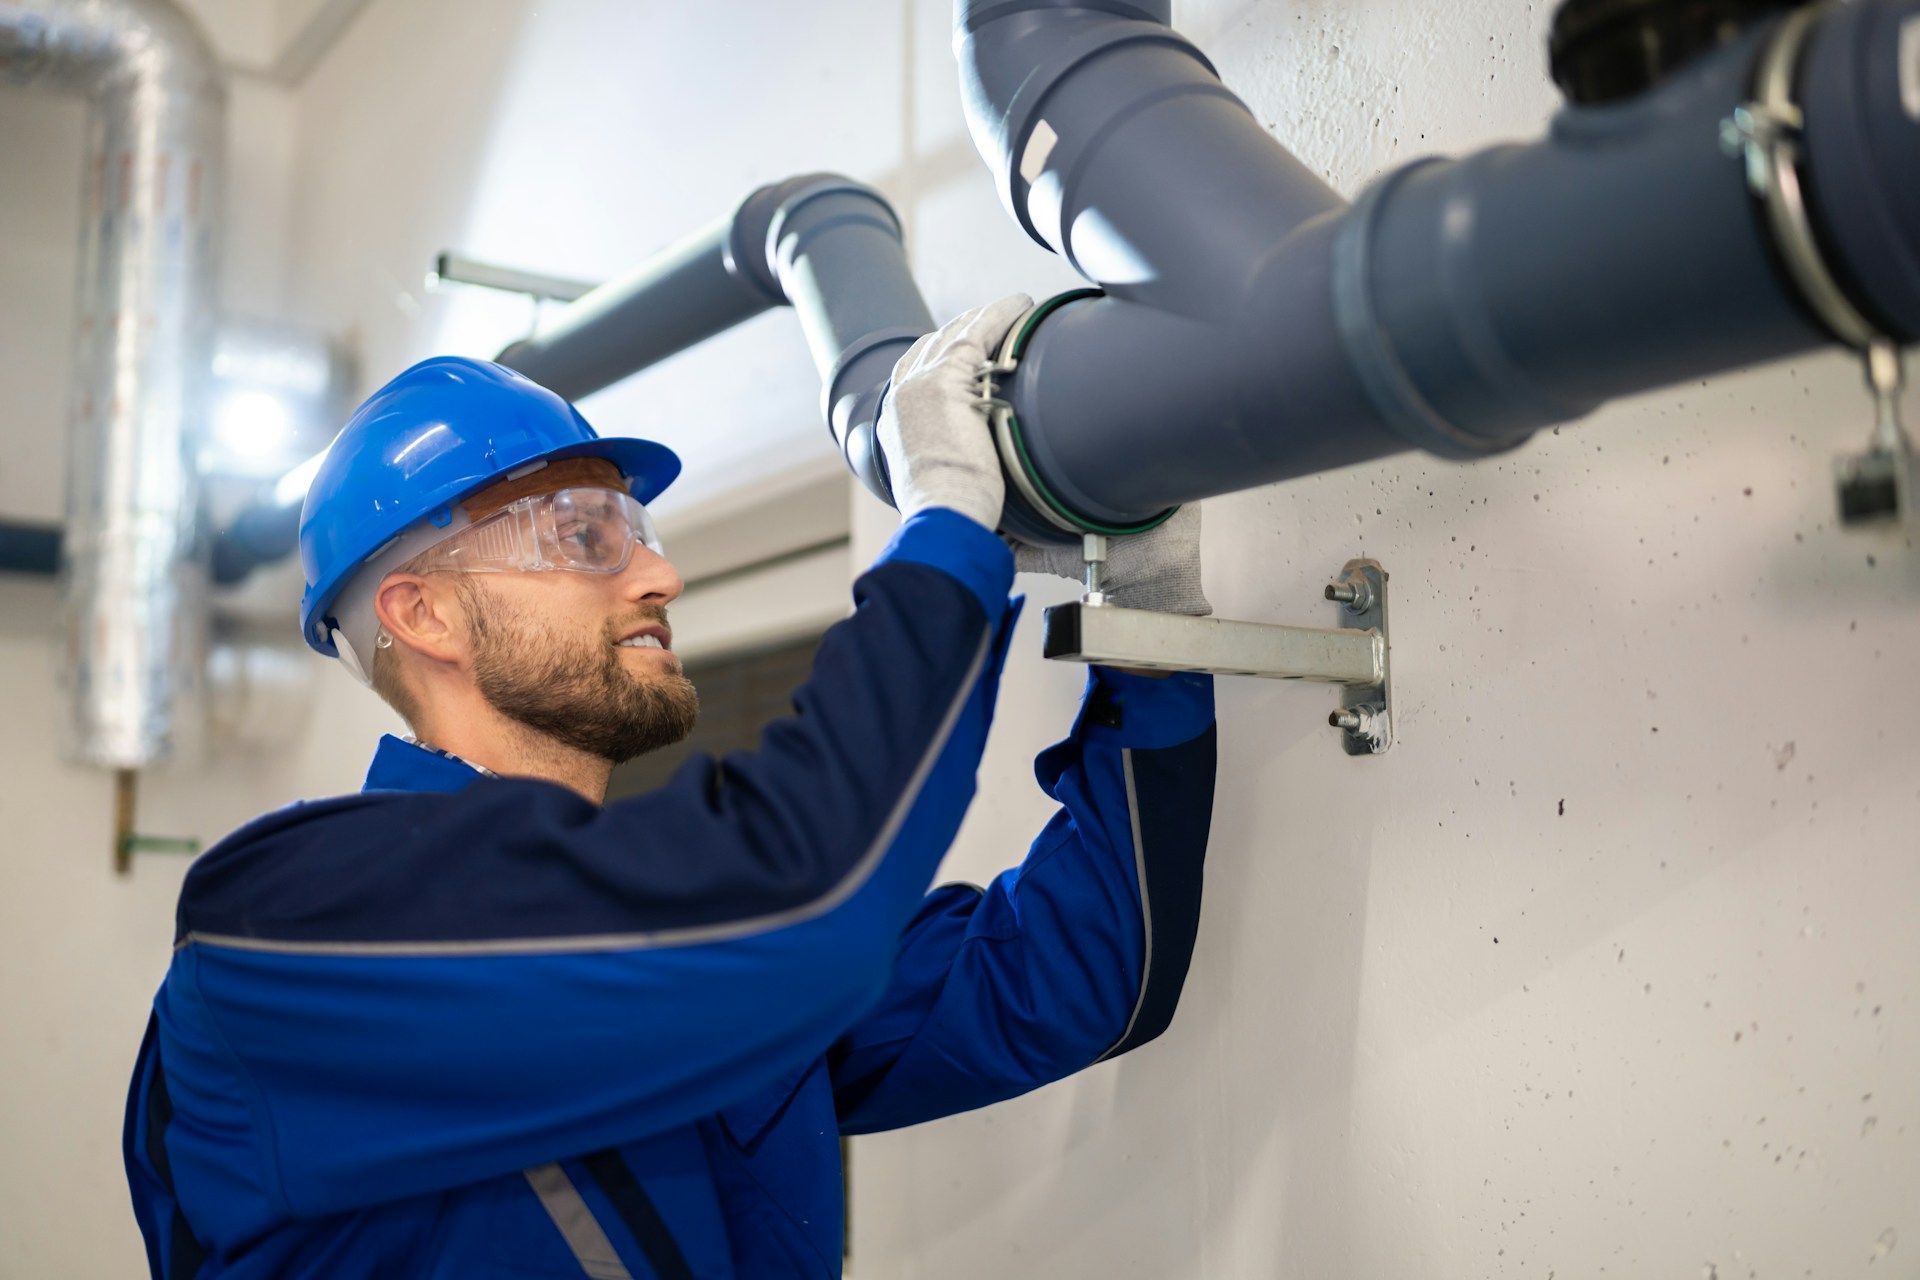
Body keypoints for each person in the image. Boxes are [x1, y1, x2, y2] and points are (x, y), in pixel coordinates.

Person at [124, 295, 1217, 1278]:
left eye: (636, 531)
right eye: (584, 534)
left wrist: (1150, 619)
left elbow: (1086, 974)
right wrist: (943, 534)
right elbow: (806, 895)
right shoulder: (281, 936)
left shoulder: (669, 940)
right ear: (424, 615)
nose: (659, 573)